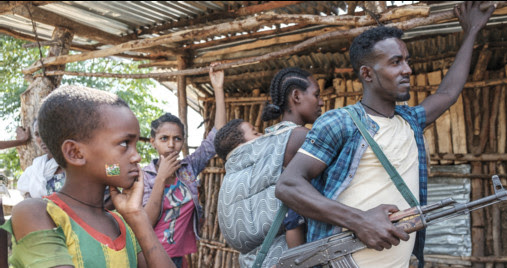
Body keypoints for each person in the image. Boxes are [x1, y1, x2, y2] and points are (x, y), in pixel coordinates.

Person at [275, 2, 495, 268]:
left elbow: (448, 93)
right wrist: (359, 220)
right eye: (395, 62)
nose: (407, 70)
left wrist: (471, 31)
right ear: (367, 73)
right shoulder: (342, 122)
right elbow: (288, 185)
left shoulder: (409, 121)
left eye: (407, 61)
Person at [1, 85, 175, 267]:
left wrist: (137, 215)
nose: (137, 157)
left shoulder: (123, 223)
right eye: (124, 143)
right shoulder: (38, 213)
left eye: (136, 145)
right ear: (75, 153)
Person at [216, 67, 324, 267]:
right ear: (296, 96)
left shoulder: (268, 144)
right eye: (317, 94)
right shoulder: (299, 137)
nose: (322, 101)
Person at [141, 63, 226, 268]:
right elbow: (146, 222)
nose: (171, 144)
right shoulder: (143, 175)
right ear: (153, 141)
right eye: (164, 138)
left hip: (177, 257)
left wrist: (218, 89)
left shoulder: (189, 168)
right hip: (148, 257)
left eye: (177, 139)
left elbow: (217, 136)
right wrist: (161, 178)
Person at [17, 120, 65, 199]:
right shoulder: (34, 170)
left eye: (47, 132)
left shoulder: (73, 168)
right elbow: (28, 200)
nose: (42, 139)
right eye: (37, 134)